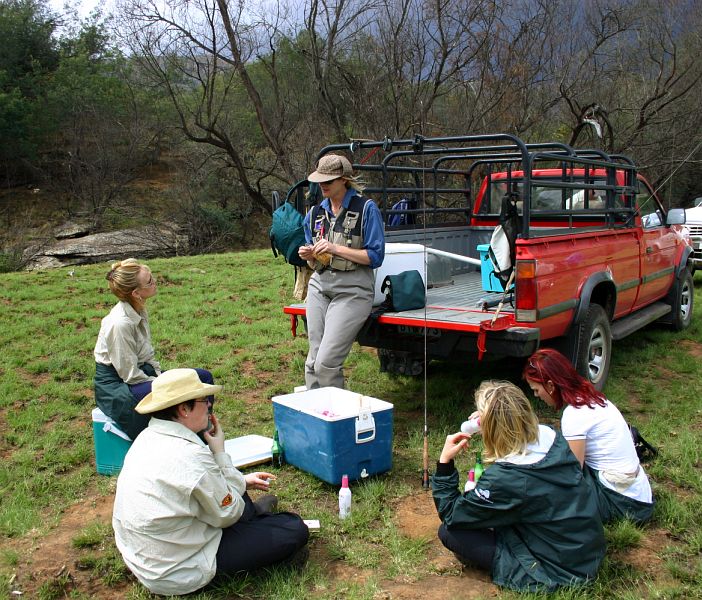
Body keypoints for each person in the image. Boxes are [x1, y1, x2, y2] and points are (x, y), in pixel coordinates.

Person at [112, 369, 310, 596]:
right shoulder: (190, 456)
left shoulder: (147, 438)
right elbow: (228, 514)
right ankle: (258, 520)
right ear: (183, 409)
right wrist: (220, 452)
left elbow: (205, 489)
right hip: (179, 569)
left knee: (234, 492)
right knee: (293, 528)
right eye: (204, 401)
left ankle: (254, 515)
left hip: (151, 555)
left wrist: (239, 481)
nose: (209, 406)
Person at [432, 380, 605, 593]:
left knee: (450, 532)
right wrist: (493, 415)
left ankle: (522, 573)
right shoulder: (552, 437)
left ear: (493, 427)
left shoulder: (506, 478)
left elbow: (452, 514)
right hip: (585, 551)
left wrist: (444, 464)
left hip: (558, 570)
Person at [524, 348, 654, 524]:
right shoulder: (592, 398)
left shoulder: (575, 414)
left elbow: (571, 472)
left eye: (536, 389)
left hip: (624, 505)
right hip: (639, 494)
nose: (536, 395)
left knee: (546, 483)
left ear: (550, 385)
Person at [93, 258, 214, 440]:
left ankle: (203, 432)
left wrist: (160, 376)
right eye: (149, 281)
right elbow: (129, 375)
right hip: (118, 386)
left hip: (142, 374)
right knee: (179, 392)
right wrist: (161, 382)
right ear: (136, 293)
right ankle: (191, 438)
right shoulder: (119, 323)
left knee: (202, 377)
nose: (155, 282)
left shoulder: (139, 309)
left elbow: (147, 356)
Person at [297, 154, 385, 389]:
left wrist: (336, 248)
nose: (323, 185)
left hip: (353, 289)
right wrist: (308, 254)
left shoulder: (366, 209)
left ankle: (336, 418)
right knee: (312, 362)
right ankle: (316, 419)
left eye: (329, 180)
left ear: (344, 179)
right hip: (319, 284)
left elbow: (375, 257)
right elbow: (312, 250)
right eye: (320, 180)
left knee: (326, 363)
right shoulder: (315, 213)